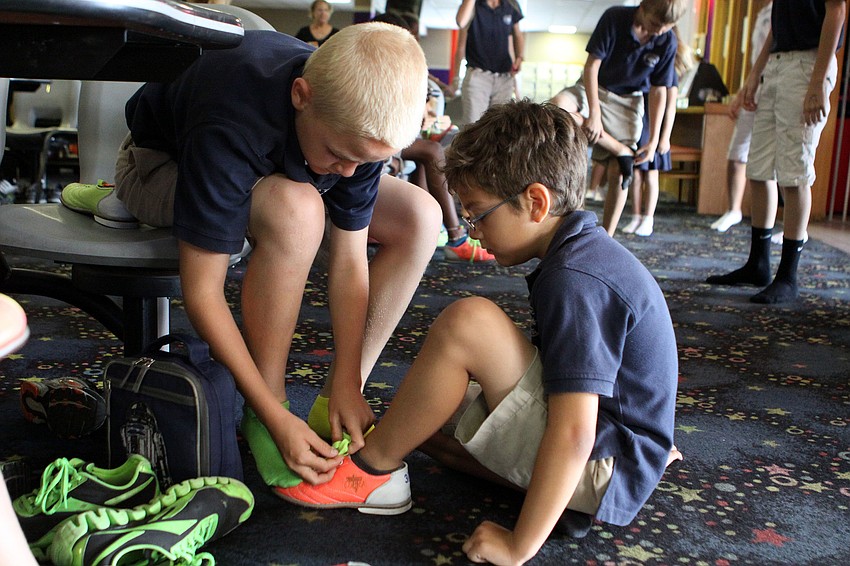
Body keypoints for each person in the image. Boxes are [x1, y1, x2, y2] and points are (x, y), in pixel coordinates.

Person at [275, 101, 680, 565]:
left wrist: (518, 545)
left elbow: (572, 432)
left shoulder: (578, 280)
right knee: (421, 416)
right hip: (622, 451)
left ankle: (368, 473)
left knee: (468, 324)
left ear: (536, 202)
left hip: (603, 461)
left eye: (478, 215)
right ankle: (558, 499)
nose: (473, 230)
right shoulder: (584, 253)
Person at [63, 24, 441, 488]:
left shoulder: (352, 131)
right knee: (298, 209)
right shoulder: (233, 115)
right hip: (161, 166)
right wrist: (272, 412)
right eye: (342, 156)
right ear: (301, 95)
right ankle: (269, 409)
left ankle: (338, 399)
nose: (351, 173)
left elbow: (349, 259)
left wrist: (347, 375)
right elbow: (202, 292)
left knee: (421, 215)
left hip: (283, 167)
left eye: (364, 163)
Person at [706, 0, 846, 304]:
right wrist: (754, 75)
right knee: (759, 168)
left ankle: (788, 276)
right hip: (776, 63)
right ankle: (758, 263)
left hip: (808, 65)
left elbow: (836, 11)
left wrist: (817, 81)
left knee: (794, 173)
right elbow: (777, 27)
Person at [551, 0, 686, 236]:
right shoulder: (614, 18)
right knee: (556, 109)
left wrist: (654, 140)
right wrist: (594, 113)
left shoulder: (666, 39)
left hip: (629, 101)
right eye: (655, 23)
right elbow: (592, 66)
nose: (659, 31)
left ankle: (607, 237)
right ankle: (619, 148)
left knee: (621, 170)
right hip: (595, 88)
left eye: (667, 26)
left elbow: (659, 91)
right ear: (643, 8)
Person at [623, 28, 695, 237]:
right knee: (635, 173)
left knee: (651, 174)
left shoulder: (669, 69)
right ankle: (635, 215)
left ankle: (648, 218)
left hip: (655, 125)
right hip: (640, 121)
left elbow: (670, 105)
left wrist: (664, 137)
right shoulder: (646, 64)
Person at [710, 1, 774, 233]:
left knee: (774, 162)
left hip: (776, 85)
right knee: (737, 152)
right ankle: (733, 210)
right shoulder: (761, 13)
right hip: (754, 87)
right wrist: (743, 90)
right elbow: (757, 58)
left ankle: (788, 226)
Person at [453, 0, 524, 126]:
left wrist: (519, 56)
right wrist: (455, 80)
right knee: (473, 127)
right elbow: (461, 21)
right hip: (478, 76)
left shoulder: (511, 5)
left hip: (504, 77)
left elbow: (517, 34)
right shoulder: (474, 5)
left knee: (500, 127)